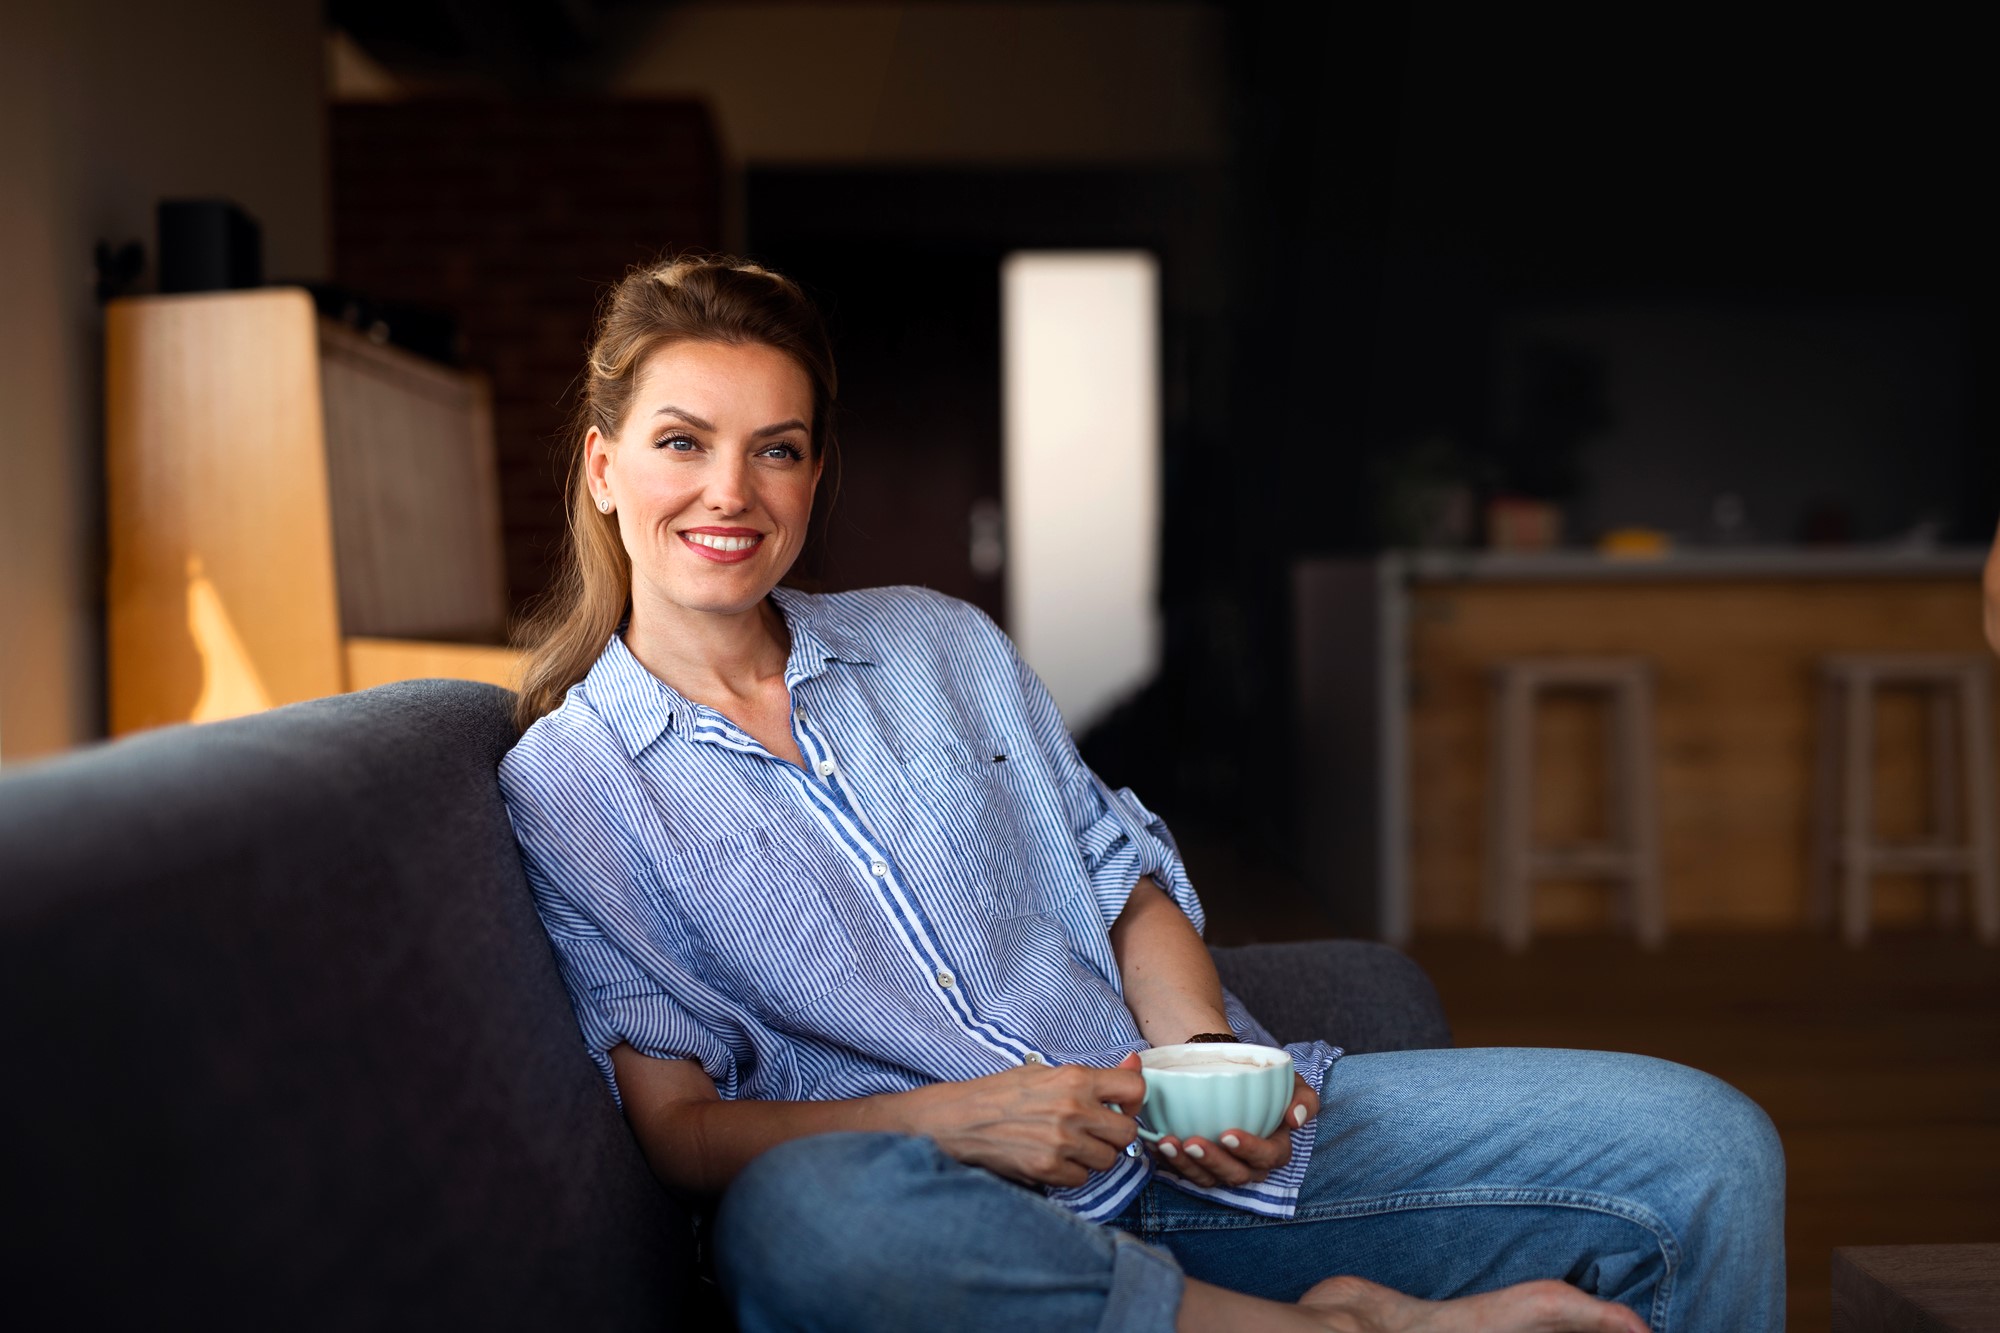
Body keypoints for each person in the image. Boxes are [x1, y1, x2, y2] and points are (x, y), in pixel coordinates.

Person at [498, 256, 1786, 1332]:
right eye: (684, 443)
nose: (731, 492)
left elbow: (1121, 876)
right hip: (959, 1227)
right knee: (806, 1226)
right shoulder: (573, 782)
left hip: (1187, 1158)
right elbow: (683, 1134)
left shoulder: (936, 643)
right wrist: (970, 1124)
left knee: (1705, 1149)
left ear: (814, 478)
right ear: (605, 468)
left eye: (774, 450)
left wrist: (1203, 1054)